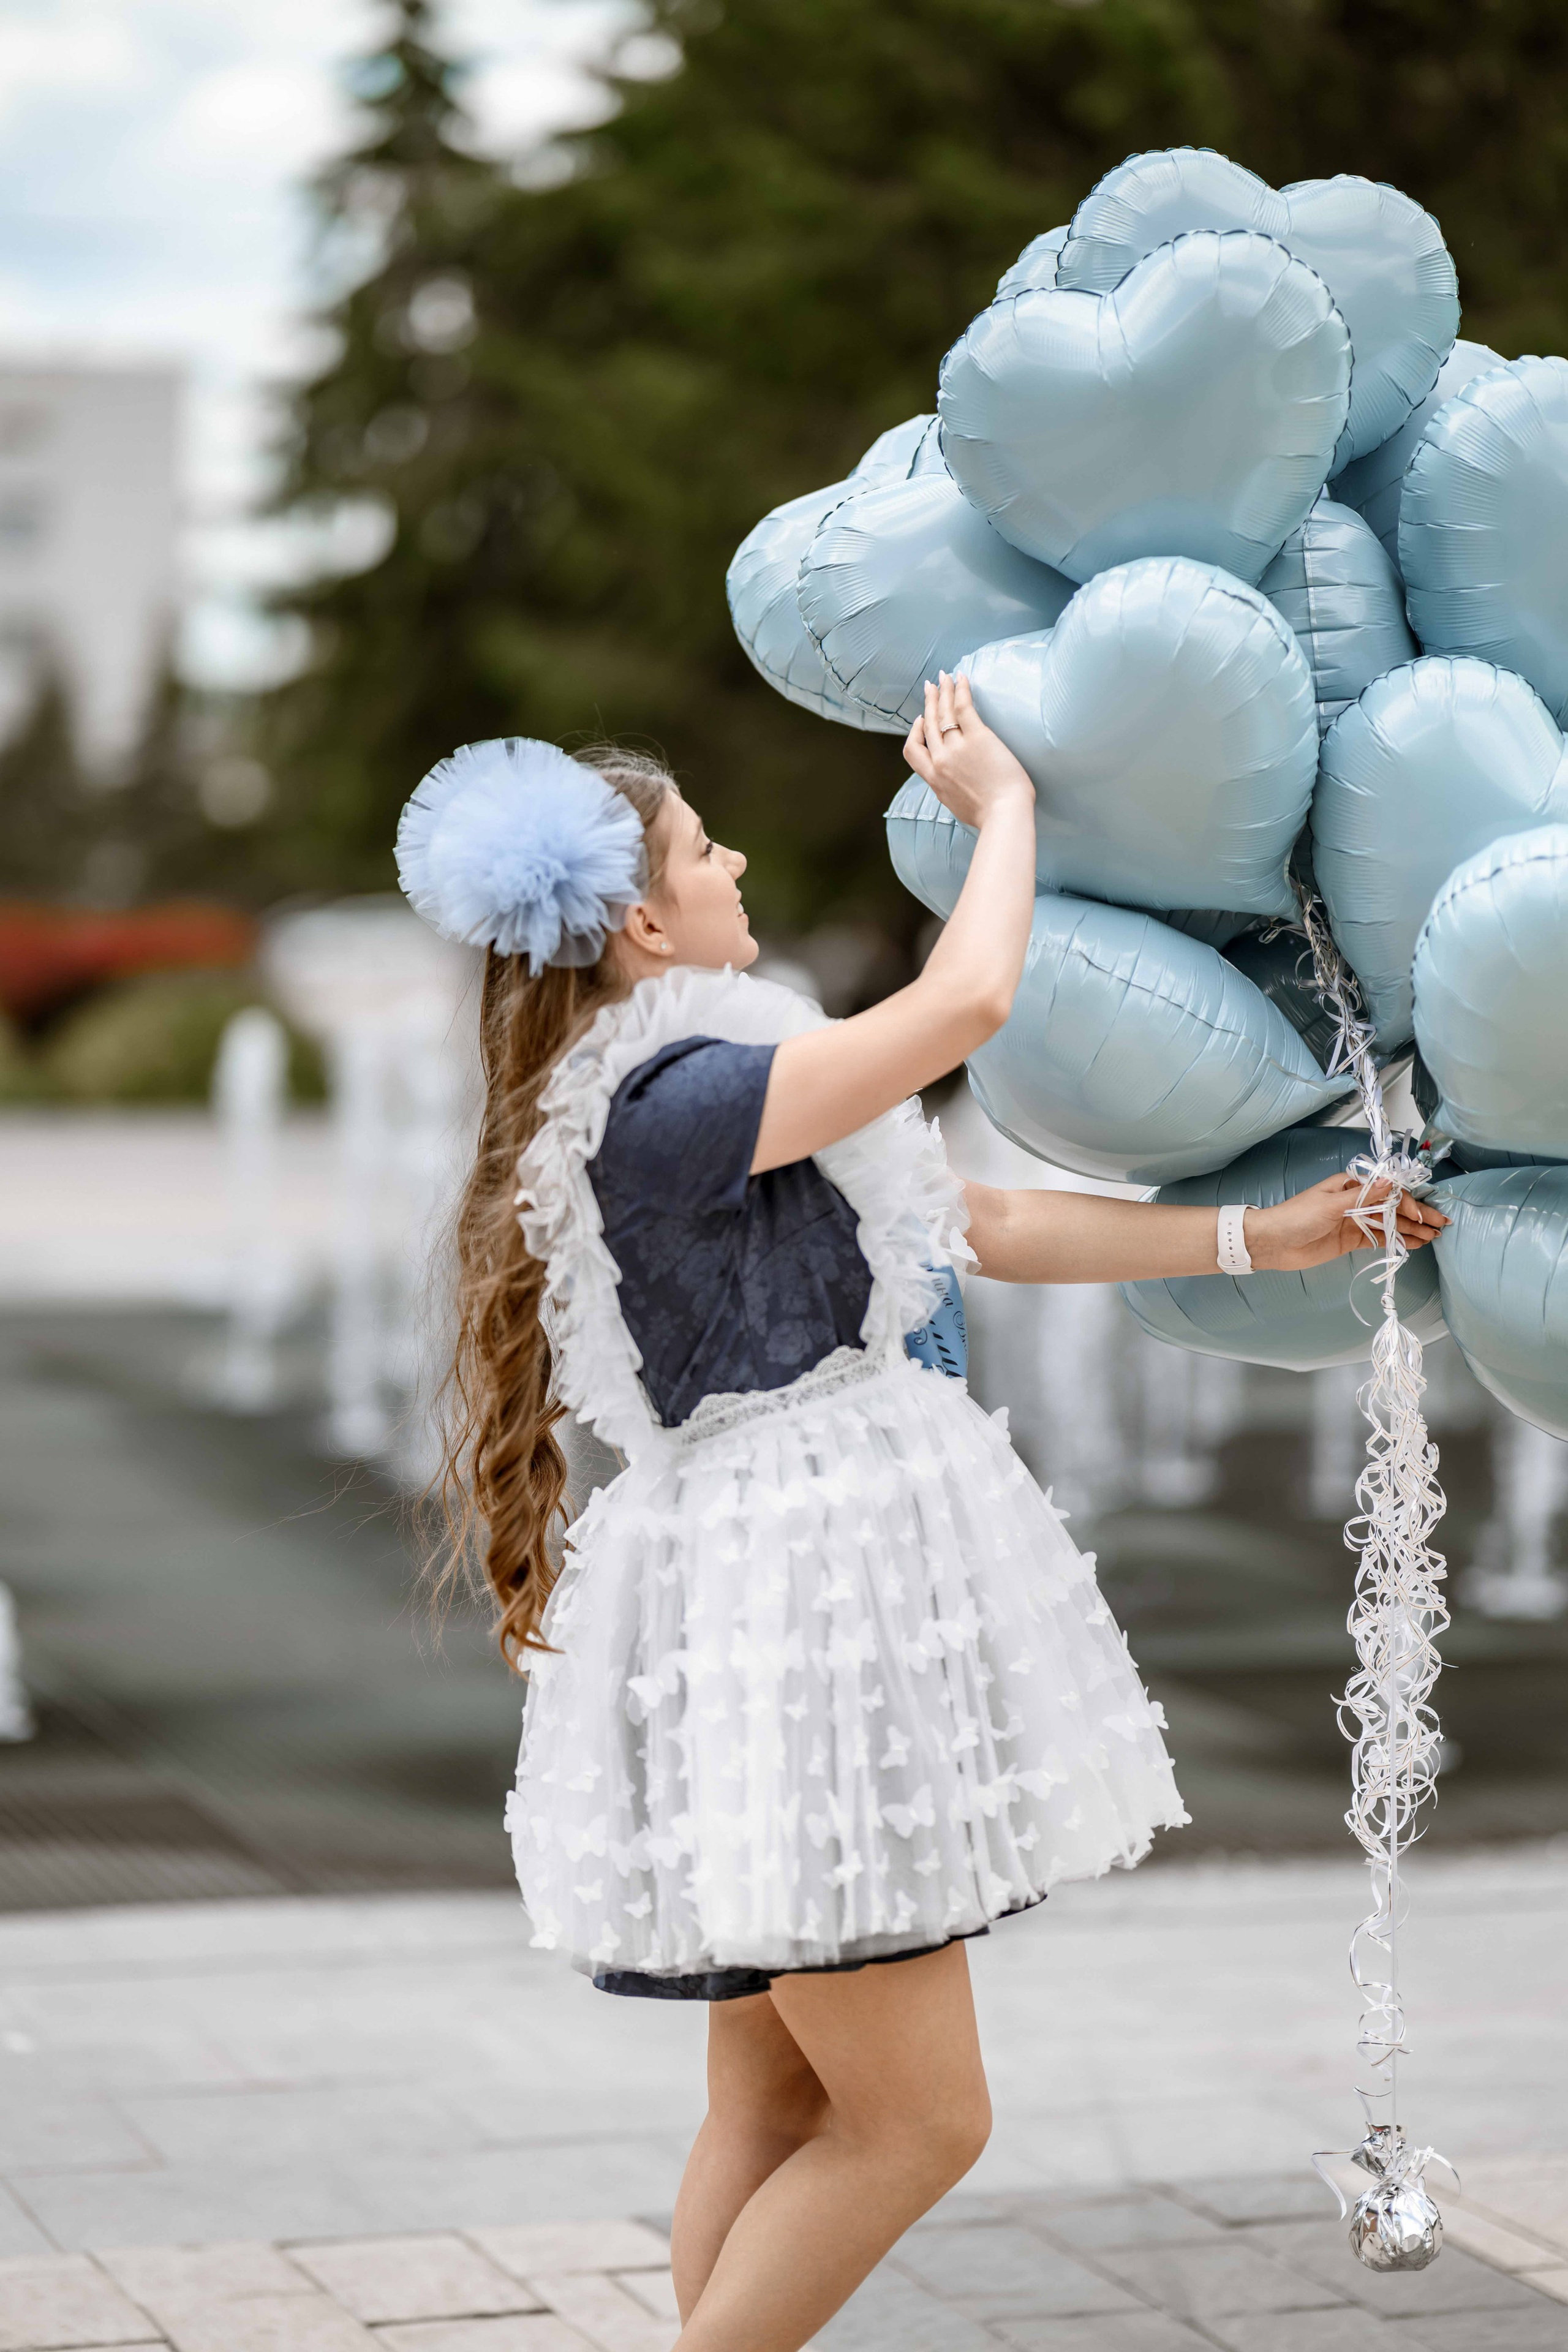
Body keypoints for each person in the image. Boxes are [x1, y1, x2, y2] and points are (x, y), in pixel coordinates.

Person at [396, 676, 1442, 2352]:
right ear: (648, 925)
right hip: (801, 1599)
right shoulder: (674, 1107)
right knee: (922, 2124)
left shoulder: (712, 1081)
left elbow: (985, 1224)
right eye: (703, 845)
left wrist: (1268, 1240)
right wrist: (1003, 809)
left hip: (772, 1591)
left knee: (778, 2108)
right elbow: (967, 1004)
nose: (734, 859)